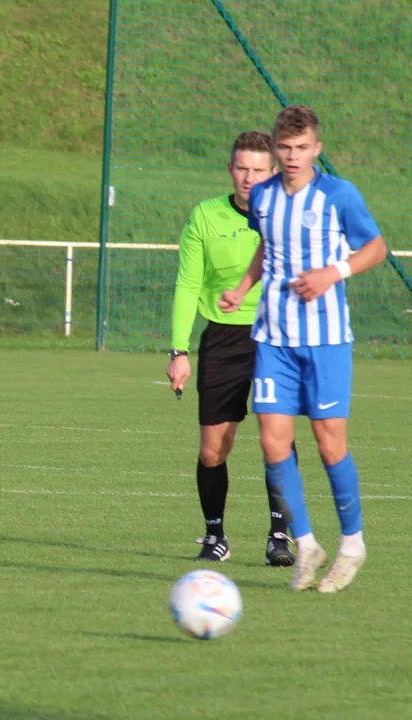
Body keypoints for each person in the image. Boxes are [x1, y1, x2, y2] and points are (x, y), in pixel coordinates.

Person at [219, 105, 388, 593]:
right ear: (275, 149)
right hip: (273, 337)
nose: (293, 157)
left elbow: (375, 248)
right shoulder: (264, 196)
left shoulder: (339, 195)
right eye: (285, 148)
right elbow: (266, 248)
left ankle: (352, 544)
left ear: (317, 148)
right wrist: (242, 285)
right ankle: (308, 543)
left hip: (326, 340)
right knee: (273, 441)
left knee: (329, 443)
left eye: (302, 148)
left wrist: (332, 273)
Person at [166, 130, 295, 566]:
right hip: (222, 338)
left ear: (273, 172)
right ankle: (215, 536)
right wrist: (177, 350)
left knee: (275, 440)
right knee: (212, 449)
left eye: (258, 170)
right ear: (230, 169)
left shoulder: (287, 215)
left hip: (275, 335)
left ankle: (280, 535)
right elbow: (187, 284)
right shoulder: (205, 216)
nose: (248, 177)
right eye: (241, 167)